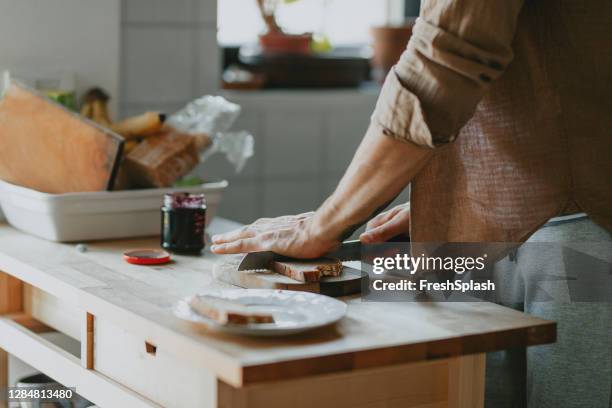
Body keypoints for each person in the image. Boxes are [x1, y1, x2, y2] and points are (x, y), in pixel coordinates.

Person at [212, 0, 612, 407]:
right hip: (489, 227)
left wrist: (320, 226)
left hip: (581, 238)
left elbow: (442, 64)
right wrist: (462, 196)